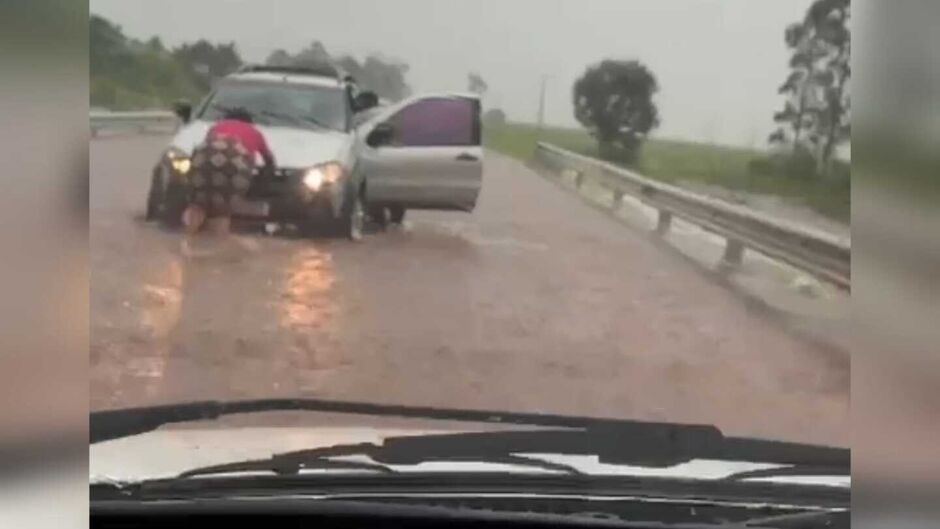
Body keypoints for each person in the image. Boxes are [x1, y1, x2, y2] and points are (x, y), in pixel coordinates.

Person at [183, 108, 277, 237]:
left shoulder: (216, 127)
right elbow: (269, 160)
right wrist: (265, 180)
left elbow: (206, 149)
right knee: (223, 206)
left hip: (205, 162)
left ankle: (188, 235)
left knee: (199, 201)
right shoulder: (255, 132)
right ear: (249, 122)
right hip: (234, 167)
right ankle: (220, 240)